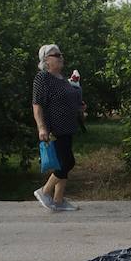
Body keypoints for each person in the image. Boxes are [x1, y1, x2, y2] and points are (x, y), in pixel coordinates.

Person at [31, 43, 85, 211]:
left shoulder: (63, 79)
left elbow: (69, 101)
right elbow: (37, 105)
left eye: (61, 54)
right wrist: (41, 127)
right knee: (67, 162)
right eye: (56, 55)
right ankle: (45, 191)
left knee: (63, 163)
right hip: (54, 128)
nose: (61, 57)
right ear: (46, 60)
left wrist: (80, 107)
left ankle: (58, 200)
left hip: (68, 127)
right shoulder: (43, 77)